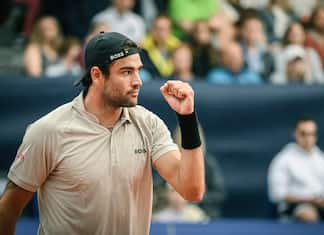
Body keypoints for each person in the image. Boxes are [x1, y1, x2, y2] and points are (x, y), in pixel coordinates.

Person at [0, 32, 205, 235]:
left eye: (138, 71)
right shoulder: (48, 130)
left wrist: (187, 117)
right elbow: (8, 209)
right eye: (126, 72)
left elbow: (192, 190)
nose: (138, 81)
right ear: (97, 75)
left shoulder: (148, 124)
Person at [267, 117, 324, 222]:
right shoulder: (283, 160)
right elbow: (276, 194)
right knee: (308, 215)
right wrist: (307, 199)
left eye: (311, 134)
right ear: (295, 134)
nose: (308, 138)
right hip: (296, 207)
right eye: (303, 134)